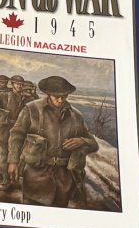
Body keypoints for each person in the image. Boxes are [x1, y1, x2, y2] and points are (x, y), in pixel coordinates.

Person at [5, 75, 98, 208]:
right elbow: (16, 135)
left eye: (64, 96)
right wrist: (13, 161)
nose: (61, 100)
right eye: (57, 96)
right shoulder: (31, 109)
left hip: (64, 180)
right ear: (48, 94)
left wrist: (82, 141)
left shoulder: (76, 116)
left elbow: (93, 144)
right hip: (36, 175)